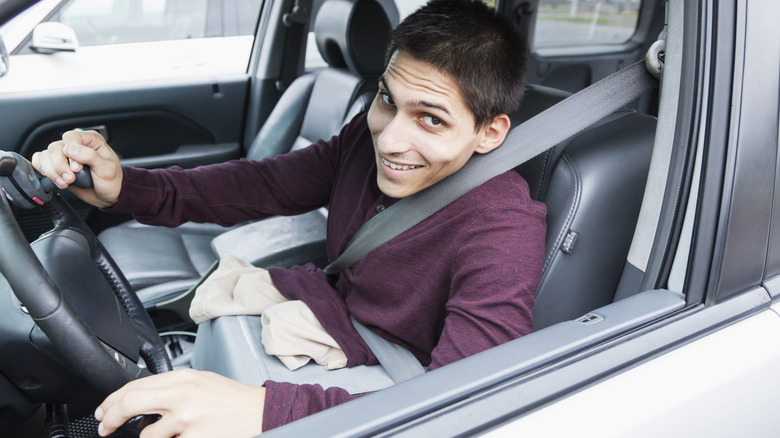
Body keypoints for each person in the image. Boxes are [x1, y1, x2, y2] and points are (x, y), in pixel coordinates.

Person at [32, 0, 546, 436]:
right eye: (387, 100)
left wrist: (263, 411)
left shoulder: (503, 228)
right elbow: (258, 185)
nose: (388, 139)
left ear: (490, 133)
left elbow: (462, 405)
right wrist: (124, 186)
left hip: (391, 384)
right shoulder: (360, 145)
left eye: (430, 119)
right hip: (344, 328)